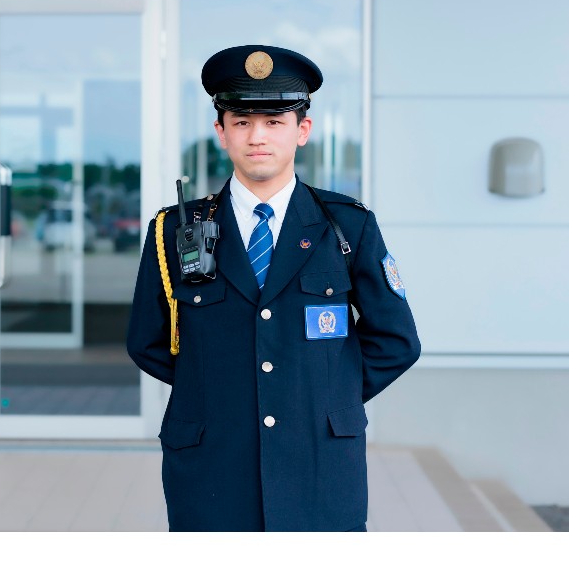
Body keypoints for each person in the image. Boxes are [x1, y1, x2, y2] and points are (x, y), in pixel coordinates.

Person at [126, 44, 420, 532]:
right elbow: (147, 341)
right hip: (213, 461)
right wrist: (223, 391)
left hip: (319, 459)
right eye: (241, 121)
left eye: (274, 121)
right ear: (220, 132)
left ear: (302, 131)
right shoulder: (174, 230)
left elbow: (397, 341)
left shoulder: (347, 226)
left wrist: (320, 396)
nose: (257, 136)